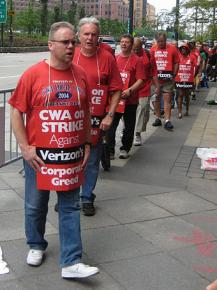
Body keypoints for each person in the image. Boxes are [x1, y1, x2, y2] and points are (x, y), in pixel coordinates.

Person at [8, 22, 99, 279]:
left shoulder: (80, 74)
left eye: (73, 42)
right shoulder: (32, 75)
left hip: (71, 156)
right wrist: (25, 148)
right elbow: (17, 112)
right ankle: (36, 244)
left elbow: (86, 111)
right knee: (36, 205)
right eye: (65, 42)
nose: (71, 46)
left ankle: (71, 261)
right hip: (39, 158)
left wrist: (87, 143)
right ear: (51, 45)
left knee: (70, 206)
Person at [73, 17, 122, 216]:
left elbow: (117, 89)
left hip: (96, 120)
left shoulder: (107, 58)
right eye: (86, 34)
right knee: (71, 161)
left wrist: (110, 115)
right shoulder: (71, 55)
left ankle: (86, 198)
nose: (90, 38)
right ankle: (69, 197)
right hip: (72, 120)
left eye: (94, 34)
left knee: (91, 161)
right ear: (78, 35)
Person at [107, 34, 145, 158]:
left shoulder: (137, 60)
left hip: (130, 100)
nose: (123, 44)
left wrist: (130, 90)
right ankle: (110, 150)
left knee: (129, 127)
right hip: (115, 100)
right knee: (111, 126)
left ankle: (125, 149)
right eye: (122, 41)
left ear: (131, 44)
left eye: (127, 42)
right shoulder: (115, 59)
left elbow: (141, 80)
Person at [132, 37, 160, 146]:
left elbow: (153, 71)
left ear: (141, 47)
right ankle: (127, 129)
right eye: (133, 49)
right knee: (127, 111)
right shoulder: (127, 55)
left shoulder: (148, 55)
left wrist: (157, 86)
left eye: (137, 49)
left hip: (144, 87)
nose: (135, 52)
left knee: (143, 109)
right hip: (130, 88)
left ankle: (137, 133)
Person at [150, 32, 179, 131]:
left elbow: (176, 62)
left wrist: (174, 75)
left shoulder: (172, 48)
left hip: (168, 80)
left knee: (167, 100)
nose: (161, 43)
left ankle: (167, 120)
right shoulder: (153, 49)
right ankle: (157, 118)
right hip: (156, 80)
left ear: (166, 40)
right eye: (159, 41)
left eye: (163, 41)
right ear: (156, 41)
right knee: (156, 99)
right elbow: (150, 64)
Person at [175, 43, 197, 118]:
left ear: (188, 50)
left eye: (185, 49)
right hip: (179, 79)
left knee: (187, 95)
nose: (183, 50)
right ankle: (179, 112)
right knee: (180, 94)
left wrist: (195, 76)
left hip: (188, 79)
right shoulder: (178, 57)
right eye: (182, 49)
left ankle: (187, 110)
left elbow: (196, 67)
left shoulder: (192, 57)